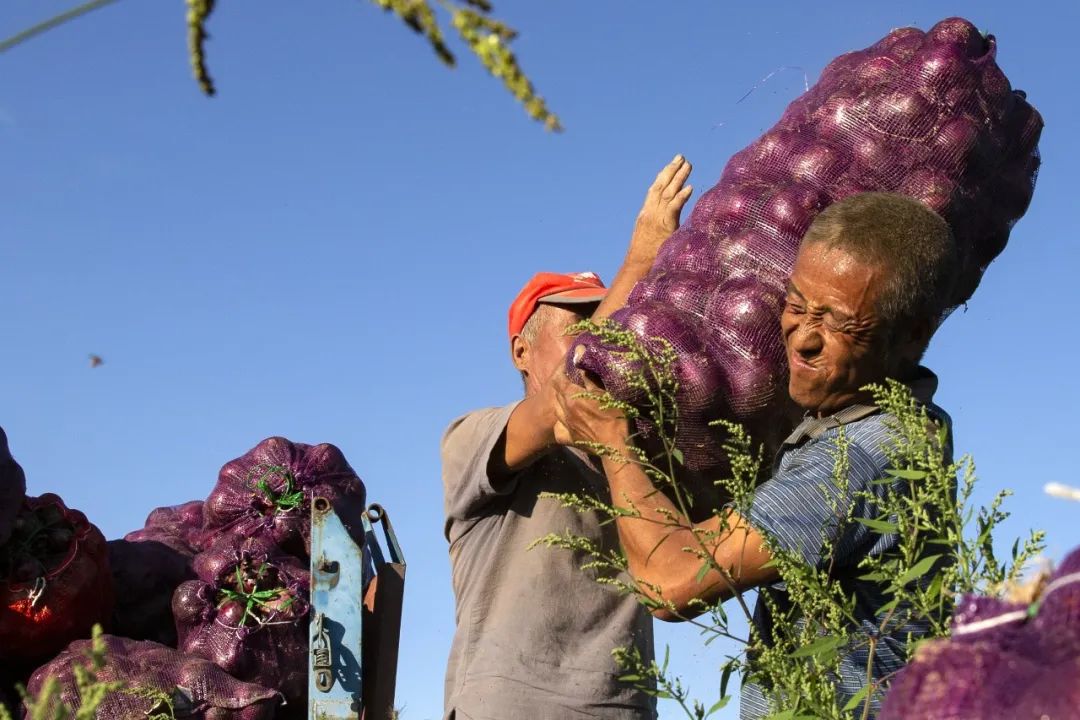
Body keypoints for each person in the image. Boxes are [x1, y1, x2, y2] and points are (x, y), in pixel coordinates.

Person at [551, 192, 959, 718]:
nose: (802, 338)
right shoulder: (909, 423)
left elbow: (673, 582)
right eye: (795, 304)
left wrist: (612, 440)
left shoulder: (862, 456)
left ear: (913, 334)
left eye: (837, 321)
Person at [440, 156, 694, 720]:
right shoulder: (473, 436)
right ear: (521, 352)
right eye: (580, 324)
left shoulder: (636, 450)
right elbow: (568, 391)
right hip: (510, 706)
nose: (606, 335)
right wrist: (645, 254)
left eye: (608, 318)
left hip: (622, 708)